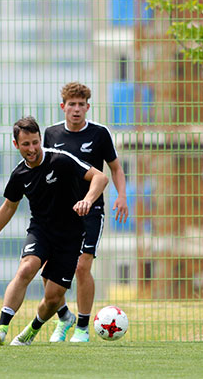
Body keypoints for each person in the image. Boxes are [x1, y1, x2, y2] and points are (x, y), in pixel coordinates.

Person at [0, 116, 109, 346]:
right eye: (26, 144)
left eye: (35, 142)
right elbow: (9, 206)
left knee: (52, 297)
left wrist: (87, 200)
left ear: (40, 139)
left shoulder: (61, 160)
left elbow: (100, 177)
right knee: (26, 268)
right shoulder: (19, 175)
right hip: (40, 231)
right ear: (15, 145)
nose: (32, 149)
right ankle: (1, 328)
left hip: (70, 237)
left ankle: (32, 330)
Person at [42, 82, 128, 342]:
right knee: (46, 268)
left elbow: (115, 168)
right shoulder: (51, 134)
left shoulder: (100, 134)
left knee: (81, 267)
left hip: (92, 211)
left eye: (81, 105)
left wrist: (122, 196)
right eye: (72, 104)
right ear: (63, 107)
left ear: (88, 107)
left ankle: (81, 328)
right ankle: (63, 317)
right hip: (59, 213)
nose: (76, 109)